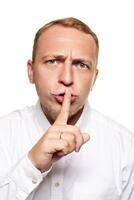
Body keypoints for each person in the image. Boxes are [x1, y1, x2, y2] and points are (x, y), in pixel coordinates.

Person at [0, 17, 134, 200]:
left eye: (81, 65)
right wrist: (31, 166)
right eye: (53, 61)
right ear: (31, 72)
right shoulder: (3, 135)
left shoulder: (127, 149)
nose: (67, 78)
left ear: (94, 78)